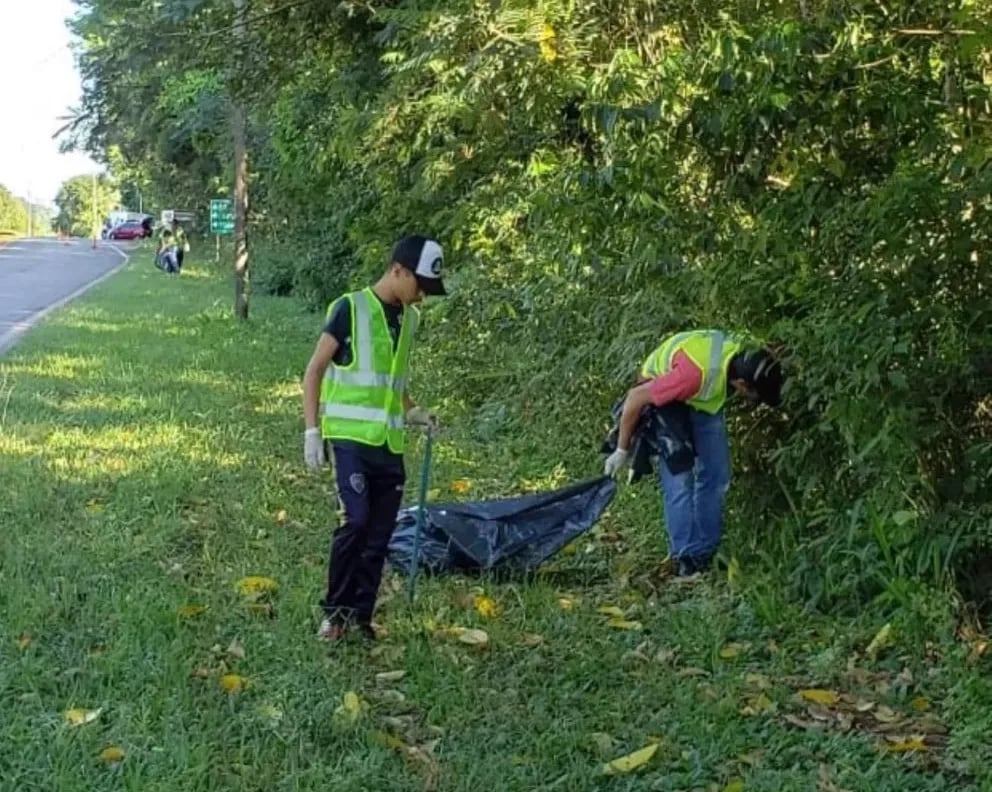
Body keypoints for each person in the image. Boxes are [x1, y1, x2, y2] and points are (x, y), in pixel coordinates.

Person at [301, 235, 447, 641]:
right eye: (420, 285)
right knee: (356, 522)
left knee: (380, 534)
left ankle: (361, 616)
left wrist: (413, 411)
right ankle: (334, 613)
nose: (422, 297)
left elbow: (392, 379)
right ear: (397, 270)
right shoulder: (350, 308)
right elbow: (314, 370)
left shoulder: (410, 320)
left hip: (389, 442)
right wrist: (312, 430)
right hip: (349, 438)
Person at [603, 330, 785, 576]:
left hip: (702, 398)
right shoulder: (693, 376)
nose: (751, 400)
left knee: (716, 475)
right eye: (752, 395)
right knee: (680, 478)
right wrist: (622, 450)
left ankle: (706, 552)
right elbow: (635, 398)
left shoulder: (746, 351)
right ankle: (685, 556)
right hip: (665, 393)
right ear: (741, 384)